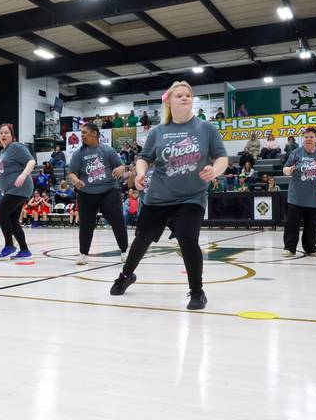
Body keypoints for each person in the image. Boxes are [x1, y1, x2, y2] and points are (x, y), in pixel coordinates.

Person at [110, 81, 228, 310]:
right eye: (179, 95)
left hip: (191, 197)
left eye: (188, 95)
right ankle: (126, 275)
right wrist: (141, 173)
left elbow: (222, 158)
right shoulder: (158, 131)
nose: (184, 98)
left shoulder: (206, 129)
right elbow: (144, 158)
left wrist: (215, 170)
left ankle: (197, 291)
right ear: (169, 102)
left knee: (188, 238)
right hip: (158, 197)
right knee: (142, 238)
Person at [68, 122, 129, 265]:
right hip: (86, 193)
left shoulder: (107, 150)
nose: (82, 135)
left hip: (109, 191)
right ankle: (83, 254)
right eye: (81, 133)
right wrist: (76, 181)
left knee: (117, 220)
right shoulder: (78, 153)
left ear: (94, 133)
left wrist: (121, 168)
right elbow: (71, 173)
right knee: (86, 224)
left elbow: (121, 166)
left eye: (84, 132)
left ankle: (124, 251)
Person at [0, 123, 36, 260]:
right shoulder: (3, 152)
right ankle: (25, 250)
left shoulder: (16, 147)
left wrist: (23, 175)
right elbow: (2, 173)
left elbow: (31, 162)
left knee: (2, 212)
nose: (3, 135)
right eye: (1, 133)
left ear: (12, 135)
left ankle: (9, 245)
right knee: (13, 219)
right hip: (11, 189)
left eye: (6, 133)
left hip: (19, 188)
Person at [281, 127, 316, 257]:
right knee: (292, 224)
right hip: (296, 196)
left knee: (312, 225)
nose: (308, 139)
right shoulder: (296, 153)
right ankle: (289, 248)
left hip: (315, 196)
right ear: (303, 139)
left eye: (311, 137)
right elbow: (285, 169)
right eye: (306, 137)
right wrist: (289, 170)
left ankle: (310, 248)